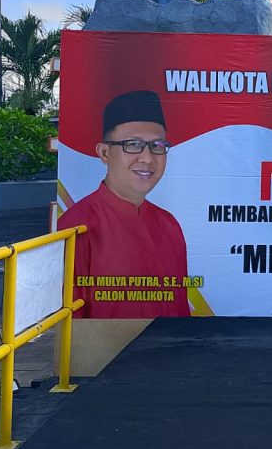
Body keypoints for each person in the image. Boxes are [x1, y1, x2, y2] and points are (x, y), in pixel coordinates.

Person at [59, 89, 190, 318]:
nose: (148, 158)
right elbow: (71, 324)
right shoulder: (76, 226)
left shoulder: (170, 226)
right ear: (105, 152)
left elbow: (180, 311)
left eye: (157, 146)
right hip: (105, 353)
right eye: (133, 144)